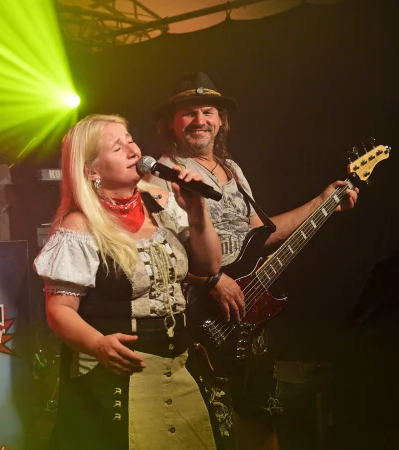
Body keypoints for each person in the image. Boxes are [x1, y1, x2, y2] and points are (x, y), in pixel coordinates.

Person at [152, 71, 358, 449]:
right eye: (188, 113)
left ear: (221, 120)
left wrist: (323, 201)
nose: (200, 120)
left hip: (245, 313)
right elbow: (160, 255)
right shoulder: (166, 174)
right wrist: (211, 281)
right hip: (198, 315)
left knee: (261, 413)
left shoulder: (234, 171)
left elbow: (261, 234)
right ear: (170, 123)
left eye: (208, 111)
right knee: (210, 424)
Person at [34, 113, 222, 449]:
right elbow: (59, 310)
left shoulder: (161, 203)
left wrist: (197, 210)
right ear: (91, 170)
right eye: (117, 147)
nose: (133, 149)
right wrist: (97, 344)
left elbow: (210, 266)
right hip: (118, 379)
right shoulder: (80, 226)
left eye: (130, 139)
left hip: (180, 369)